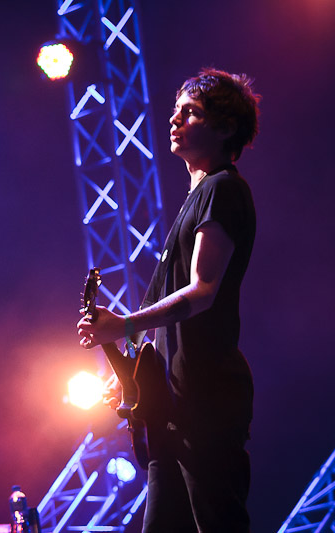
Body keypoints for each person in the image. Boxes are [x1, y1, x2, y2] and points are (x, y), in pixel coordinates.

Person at [77, 68, 260, 532]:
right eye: (175, 111)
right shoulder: (196, 199)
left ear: (224, 128)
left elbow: (202, 291)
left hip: (205, 400)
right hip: (171, 407)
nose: (174, 120)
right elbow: (169, 323)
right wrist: (135, 376)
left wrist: (124, 325)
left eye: (191, 112)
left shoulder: (222, 189)